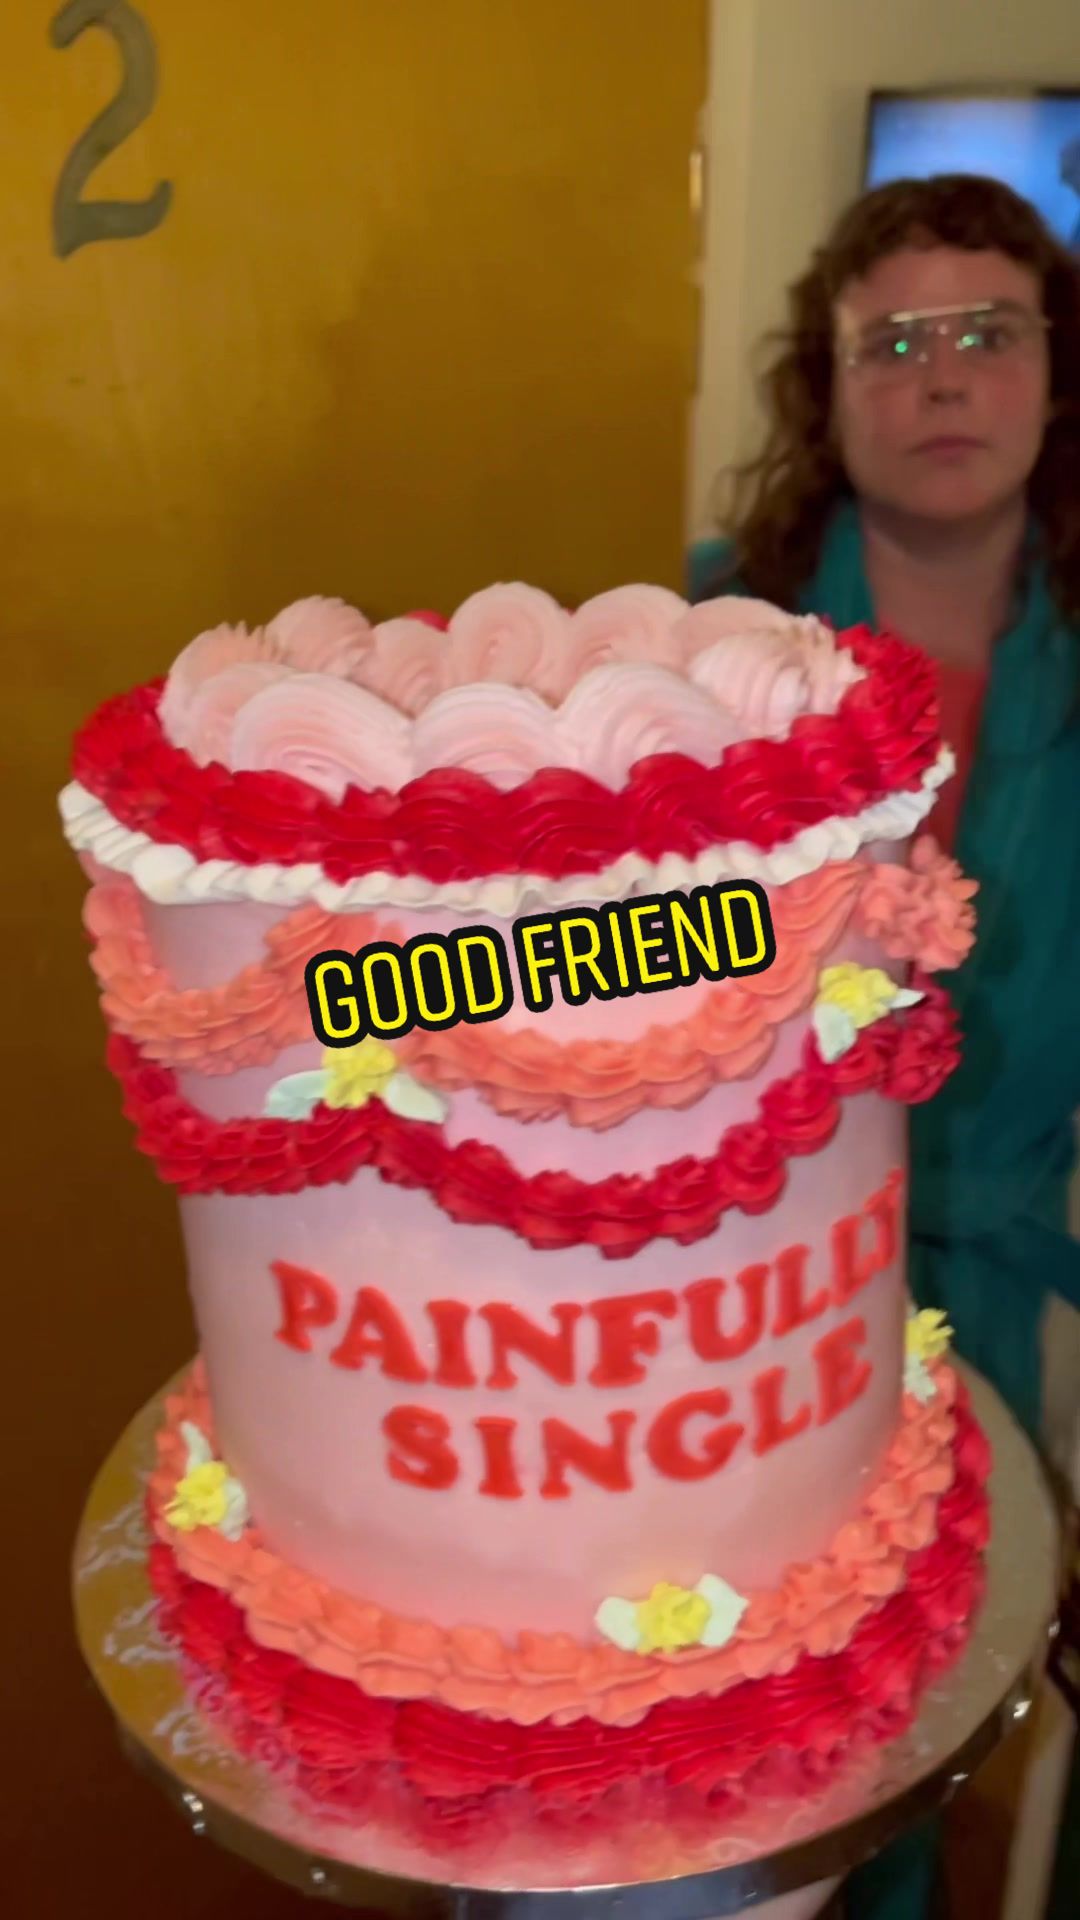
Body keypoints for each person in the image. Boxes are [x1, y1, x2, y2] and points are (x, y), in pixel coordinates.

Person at [689, 173, 1080, 1920]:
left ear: (1054, 373)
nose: (942, 378)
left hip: (1024, 1281)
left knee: (945, 1706)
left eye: (987, 333)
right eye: (892, 344)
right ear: (826, 390)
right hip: (752, 1287)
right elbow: (601, 950)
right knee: (774, 1729)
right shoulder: (708, 647)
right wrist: (358, 1002)